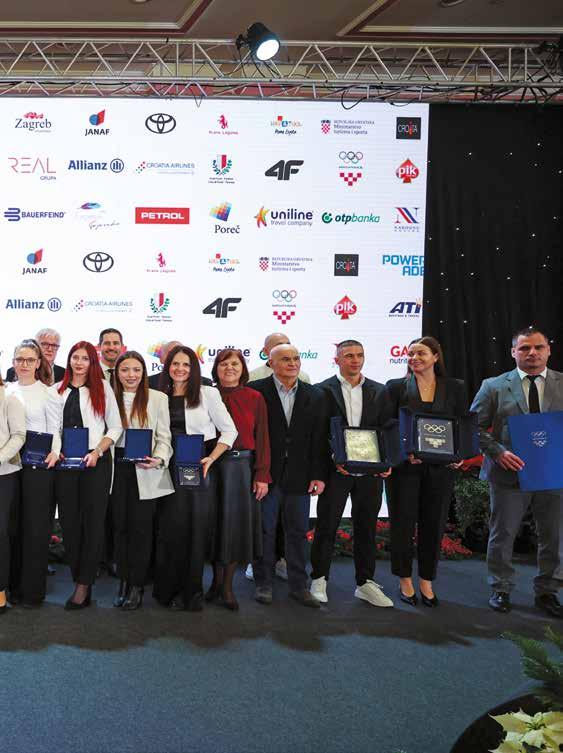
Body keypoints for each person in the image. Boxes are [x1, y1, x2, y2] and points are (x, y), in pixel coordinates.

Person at [471, 326, 563, 618]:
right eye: (524, 348)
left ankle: (548, 591)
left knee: (554, 536)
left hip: (554, 474)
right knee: (503, 534)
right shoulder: (494, 386)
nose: (532, 353)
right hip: (507, 474)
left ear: (548, 350)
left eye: (538, 347)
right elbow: (473, 427)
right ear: (513, 352)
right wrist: (497, 451)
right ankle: (501, 588)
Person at [381, 336, 467, 608]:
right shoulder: (395, 387)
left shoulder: (455, 387)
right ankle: (404, 579)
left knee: (434, 524)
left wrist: (459, 455)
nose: (414, 358)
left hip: (441, 469)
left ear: (435, 357)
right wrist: (402, 453)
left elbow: (462, 424)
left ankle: (427, 580)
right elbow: (387, 425)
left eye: (421, 353)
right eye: (411, 354)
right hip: (405, 468)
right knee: (402, 523)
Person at [310, 340, 393, 607]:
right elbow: (316, 434)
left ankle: (365, 583)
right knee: (326, 526)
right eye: (348, 356)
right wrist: (332, 460)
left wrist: (387, 461)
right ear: (337, 360)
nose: (355, 360)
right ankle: (319, 578)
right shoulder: (321, 390)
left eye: (359, 355)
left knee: (366, 528)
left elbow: (387, 429)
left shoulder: (380, 391)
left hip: (370, 474)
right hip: (336, 472)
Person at [154, 345, 237, 612]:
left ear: (194, 369)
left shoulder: (207, 393)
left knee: (193, 531)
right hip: (163, 467)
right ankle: (167, 590)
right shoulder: (159, 394)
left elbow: (229, 431)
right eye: (175, 364)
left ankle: (191, 593)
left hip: (194, 468)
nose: (180, 369)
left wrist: (211, 458)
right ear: (167, 367)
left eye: (186, 365)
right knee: (169, 530)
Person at [249, 344, 328, 608]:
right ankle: (263, 583)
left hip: (300, 476)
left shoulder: (315, 394)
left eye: (296, 358)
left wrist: (318, 475)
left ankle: (299, 586)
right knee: (265, 530)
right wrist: (256, 472)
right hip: (266, 476)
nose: (292, 363)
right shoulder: (256, 391)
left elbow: (319, 439)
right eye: (285, 359)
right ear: (271, 363)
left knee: (298, 531)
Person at [49, 341, 122, 609]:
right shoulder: (55, 391)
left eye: (85, 359)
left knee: (92, 523)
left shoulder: (102, 388)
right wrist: (56, 451)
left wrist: (98, 451)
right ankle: (79, 577)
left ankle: (83, 585)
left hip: (95, 463)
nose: (79, 363)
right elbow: (53, 429)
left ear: (93, 363)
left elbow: (115, 428)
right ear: (69, 360)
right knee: (69, 524)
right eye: (75, 357)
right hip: (65, 464)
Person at [206, 349, 270, 611]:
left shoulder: (255, 397)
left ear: (243, 369)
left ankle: (228, 586)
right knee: (213, 525)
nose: (229, 368)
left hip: (241, 468)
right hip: (211, 466)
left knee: (234, 528)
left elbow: (263, 437)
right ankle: (215, 582)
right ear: (216, 369)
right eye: (223, 364)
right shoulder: (206, 394)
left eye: (235, 364)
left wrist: (262, 474)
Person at [110, 351, 174, 610]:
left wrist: (158, 459)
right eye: (125, 369)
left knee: (141, 529)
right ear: (117, 373)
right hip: (115, 468)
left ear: (144, 372)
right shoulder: (108, 396)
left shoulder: (158, 398)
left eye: (136, 369)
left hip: (145, 469)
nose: (131, 375)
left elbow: (164, 437)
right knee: (119, 528)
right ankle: (123, 580)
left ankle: (136, 584)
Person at [6, 340, 59, 608]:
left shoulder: (48, 392)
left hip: (40, 466)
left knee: (36, 528)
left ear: (38, 363)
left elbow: (56, 428)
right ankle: (11, 587)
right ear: (13, 362)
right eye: (20, 359)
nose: (24, 364)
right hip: (10, 465)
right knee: (13, 527)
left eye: (30, 360)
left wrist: (55, 452)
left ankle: (32, 592)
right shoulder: (7, 391)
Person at [0, 374, 26, 614]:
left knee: (1, 534)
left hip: (3, 474)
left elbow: (19, 435)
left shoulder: (9, 398)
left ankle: (0, 591)